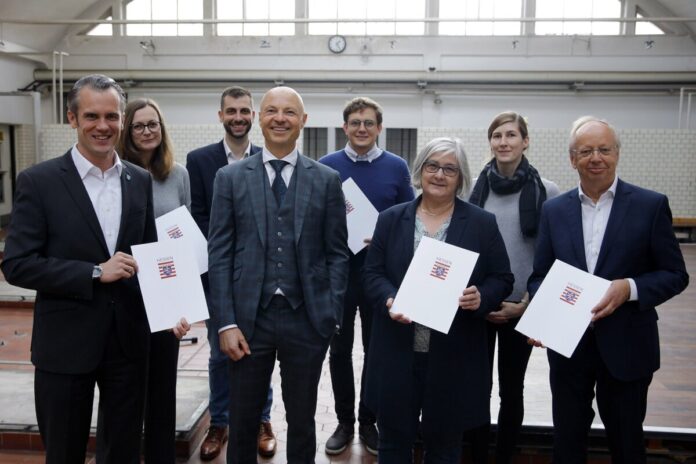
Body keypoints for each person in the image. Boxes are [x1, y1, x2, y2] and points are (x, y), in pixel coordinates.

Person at [1, 74, 157, 463]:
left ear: (123, 119)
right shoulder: (39, 182)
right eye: (91, 116)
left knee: (122, 450)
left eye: (111, 116)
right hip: (66, 344)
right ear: (72, 118)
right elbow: (17, 265)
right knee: (65, 451)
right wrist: (92, 271)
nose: (102, 127)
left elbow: (149, 254)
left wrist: (171, 308)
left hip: (127, 342)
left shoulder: (138, 180)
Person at [527, 116, 689, 463]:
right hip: (569, 349)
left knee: (627, 444)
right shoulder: (554, 210)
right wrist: (545, 316)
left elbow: (675, 273)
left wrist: (629, 288)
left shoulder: (650, 205)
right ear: (573, 159)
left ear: (617, 154)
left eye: (604, 149)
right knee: (567, 444)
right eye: (586, 151)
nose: (595, 157)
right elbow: (540, 276)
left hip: (628, 345)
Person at [208, 86, 350, 463]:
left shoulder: (326, 179)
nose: (280, 118)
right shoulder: (230, 177)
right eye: (272, 110)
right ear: (260, 117)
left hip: (307, 320)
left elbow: (338, 253)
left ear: (303, 121)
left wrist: (329, 313)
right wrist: (225, 323)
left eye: (290, 112)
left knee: (302, 422)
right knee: (242, 422)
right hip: (246, 322)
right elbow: (219, 254)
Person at [362, 137, 514, 462]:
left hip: (452, 355)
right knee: (392, 444)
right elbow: (372, 274)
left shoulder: (481, 223)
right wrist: (390, 299)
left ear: (461, 178)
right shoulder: (390, 219)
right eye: (433, 166)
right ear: (420, 171)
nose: (440, 175)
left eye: (450, 169)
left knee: (445, 447)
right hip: (397, 352)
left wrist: (481, 296)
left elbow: (502, 278)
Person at [319, 96, 414, 456]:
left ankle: (369, 421)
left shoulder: (397, 167)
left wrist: (387, 239)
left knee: (377, 350)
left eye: (368, 123)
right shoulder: (327, 166)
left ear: (379, 128)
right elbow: (317, 217)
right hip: (339, 273)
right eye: (355, 122)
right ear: (345, 127)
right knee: (339, 350)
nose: (361, 128)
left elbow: (409, 215)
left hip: (381, 274)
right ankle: (345, 422)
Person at [186, 86, 277, 460]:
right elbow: (199, 216)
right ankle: (220, 421)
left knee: (261, 349)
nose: (238, 117)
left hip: (263, 277)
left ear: (253, 116)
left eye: (244, 111)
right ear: (220, 116)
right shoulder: (200, 160)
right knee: (220, 351)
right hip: (219, 274)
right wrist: (235, 246)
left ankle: (262, 420)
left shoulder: (269, 158)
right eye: (231, 111)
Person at [466, 112, 560, 463]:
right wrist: (480, 298)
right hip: (477, 304)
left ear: (525, 141)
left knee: (511, 390)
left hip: (521, 307)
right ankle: (476, 455)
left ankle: (504, 455)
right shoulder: (475, 188)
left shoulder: (547, 191)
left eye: (511, 135)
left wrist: (528, 304)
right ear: (490, 142)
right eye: (496, 136)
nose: (503, 142)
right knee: (477, 389)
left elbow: (552, 256)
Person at [119, 97, 192, 463]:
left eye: (153, 124)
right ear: (127, 132)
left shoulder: (178, 175)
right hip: (127, 294)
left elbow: (185, 239)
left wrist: (185, 299)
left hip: (165, 296)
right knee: (128, 391)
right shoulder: (117, 173)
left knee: (163, 389)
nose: (147, 131)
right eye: (139, 125)